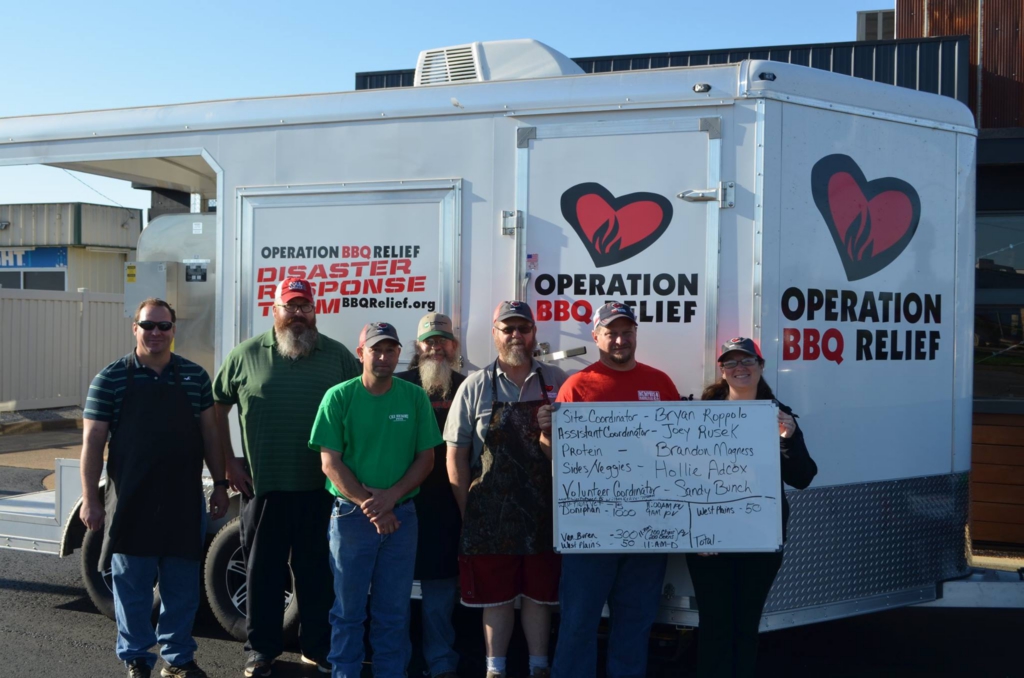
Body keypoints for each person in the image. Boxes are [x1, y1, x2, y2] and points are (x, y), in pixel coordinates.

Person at [212, 277, 361, 677]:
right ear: (274, 310)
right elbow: (215, 408)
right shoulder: (245, 355)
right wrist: (228, 463)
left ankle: (318, 648)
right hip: (264, 487)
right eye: (290, 306)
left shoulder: (338, 357)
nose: (298, 314)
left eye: (304, 306)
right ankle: (261, 651)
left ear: (315, 311)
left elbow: (360, 409)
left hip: (323, 489)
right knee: (263, 573)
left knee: (318, 575)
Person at [80, 298, 227, 678]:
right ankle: (136, 658)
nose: (156, 333)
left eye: (164, 326)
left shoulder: (195, 377)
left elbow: (211, 434)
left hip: (183, 500)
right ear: (135, 329)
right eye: (148, 326)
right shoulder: (110, 378)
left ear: (174, 330)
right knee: (132, 587)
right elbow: (92, 443)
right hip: (131, 501)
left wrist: (220, 484)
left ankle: (177, 658)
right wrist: (90, 499)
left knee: (182, 587)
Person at [538, 302, 680, 678]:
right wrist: (546, 434)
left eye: (626, 332)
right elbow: (555, 455)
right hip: (591, 531)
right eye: (611, 333)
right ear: (596, 336)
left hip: (648, 530)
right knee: (578, 623)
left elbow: (679, 451)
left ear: (635, 334)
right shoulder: (577, 385)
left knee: (635, 624)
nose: (620, 340)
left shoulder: (661, 383)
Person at [310, 322, 442, 678]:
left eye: (390, 350)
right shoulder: (339, 396)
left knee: (393, 612)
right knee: (348, 611)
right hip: (352, 519)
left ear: (399, 354)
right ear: (361, 353)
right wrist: (373, 506)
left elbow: (426, 459)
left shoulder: (414, 397)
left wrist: (391, 498)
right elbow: (330, 463)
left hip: (401, 518)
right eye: (375, 350)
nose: (383, 357)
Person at [446, 301, 568, 678]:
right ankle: (495, 669)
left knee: (539, 597)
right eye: (508, 328)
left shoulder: (558, 380)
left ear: (534, 333)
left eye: (523, 328)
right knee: (496, 599)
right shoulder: (474, 385)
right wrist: (469, 511)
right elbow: (455, 456)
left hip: (544, 515)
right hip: (489, 516)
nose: (516, 335)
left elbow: (575, 451)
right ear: (495, 334)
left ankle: (539, 667)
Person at [686, 337, 817, 678]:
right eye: (731, 362)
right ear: (722, 371)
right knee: (714, 626)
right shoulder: (700, 415)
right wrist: (698, 531)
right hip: (710, 541)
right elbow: (681, 476)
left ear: (761, 366)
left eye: (747, 360)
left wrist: (788, 439)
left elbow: (802, 477)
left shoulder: (778, 414)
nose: (739, 368)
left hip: (760, 539)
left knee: (745, 625)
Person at [395, 313, 466, 678]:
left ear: (454, 346)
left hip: (447, 508)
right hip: (400, 503)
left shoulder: (468, 386)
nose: (437, 347)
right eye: (430, 341)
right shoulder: (397, 385)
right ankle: (396, 662)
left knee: (440, 594)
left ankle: (440, 662)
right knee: (394, 593)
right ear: (418, 346)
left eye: (443, 340)